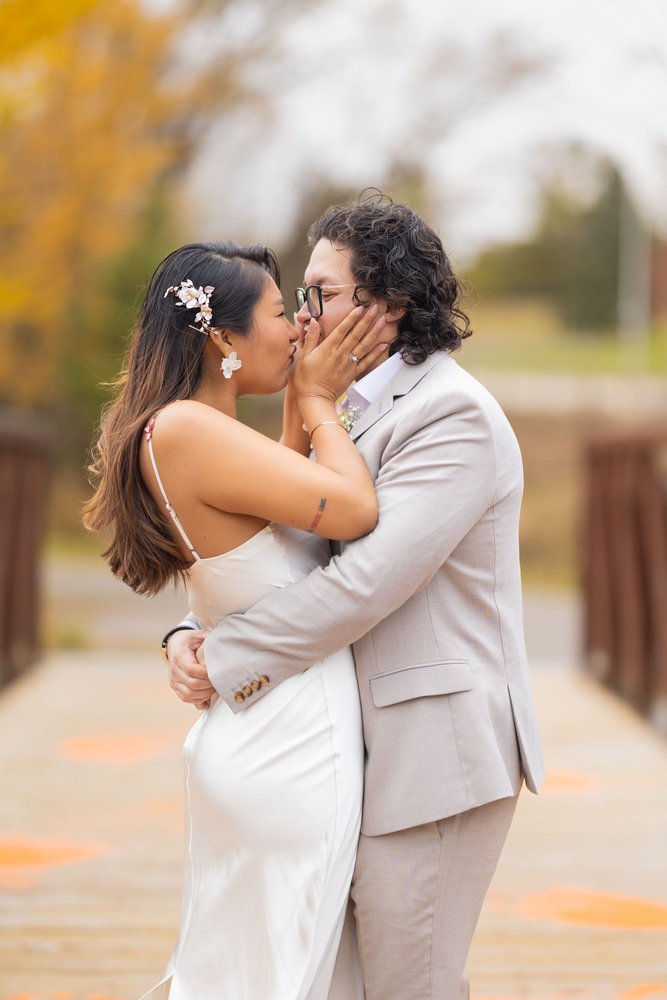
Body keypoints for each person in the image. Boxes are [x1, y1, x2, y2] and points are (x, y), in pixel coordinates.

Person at [166, 193, 545, 1000]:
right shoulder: (345, 411)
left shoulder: (450, 417)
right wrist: (188, 629)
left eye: (321, 293)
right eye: (299, 296)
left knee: (411, 985)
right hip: (344, 752)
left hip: (430, 754)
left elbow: (364, 584)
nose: (302, 316)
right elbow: (280, 554)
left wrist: (228, 657)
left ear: (389, 305)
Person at [83, 239, 391, 999]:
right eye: (282, 314)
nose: (297, 329)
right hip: (289, 744)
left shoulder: (186, 429)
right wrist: (319, 403)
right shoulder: (188, 430)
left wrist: (183, 636)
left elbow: (261, 546)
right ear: (223, 338)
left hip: (262, 735)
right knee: (281, 977)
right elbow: (353, 510)